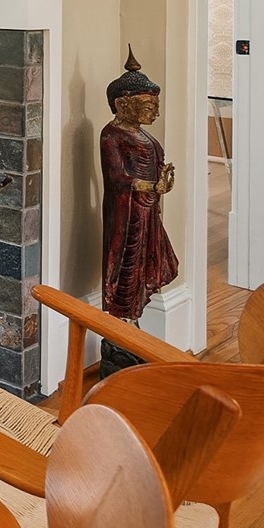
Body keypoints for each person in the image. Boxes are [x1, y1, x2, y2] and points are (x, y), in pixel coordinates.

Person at [100, 48, 178, 323]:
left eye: (156, 107)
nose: (155, 113)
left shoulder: (145, 137)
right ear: (122, 105)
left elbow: (156, 166)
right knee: (127, 262)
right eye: (148, 107)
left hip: (147, 211)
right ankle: (122, 318)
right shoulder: (111, 135)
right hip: (127, 213)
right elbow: (117, 178)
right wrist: (151, 186)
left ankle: (132, 318)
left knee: (144, 261)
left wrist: (163, 179)